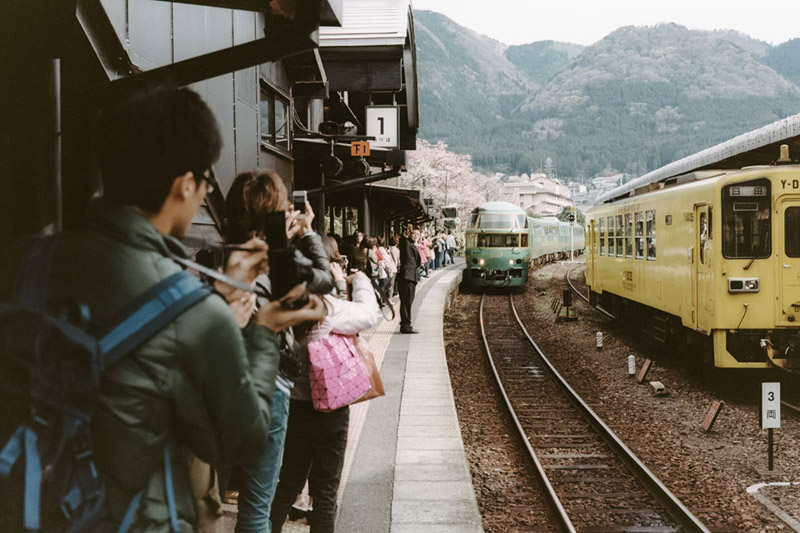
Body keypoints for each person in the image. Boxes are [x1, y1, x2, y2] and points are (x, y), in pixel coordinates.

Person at [0, 84, 326, 531]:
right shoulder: (190, 309)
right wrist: (264, 331)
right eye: (205, 183)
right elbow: (245, 438)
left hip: (27, 505)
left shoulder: (23, 260)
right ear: (185, 184)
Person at [224, 171, 334, 533]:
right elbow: (325, 277)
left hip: (218, 382)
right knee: (257, 508)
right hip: (271, 384)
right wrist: (305, 232)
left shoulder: (221, 259)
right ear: (276, 213)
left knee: (204, 498)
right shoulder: (278, 262)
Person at [270, 236, 380, 533]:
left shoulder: (279, 303)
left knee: (286, 484)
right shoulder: (328, 308)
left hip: (293, 406)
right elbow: (369, 314)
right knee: (325, 493)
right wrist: (356, 280)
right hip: (330, 410)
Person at [398, 225, 421, 334]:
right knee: (406, 301)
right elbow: (402, 240)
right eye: (413, 233)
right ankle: (406, 325)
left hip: (411, 276)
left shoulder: (412, 245)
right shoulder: (406, 243)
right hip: (407, 276)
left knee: (407, 301)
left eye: (418, 234)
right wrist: (405, 232)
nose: (416, 236)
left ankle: (405, 323)